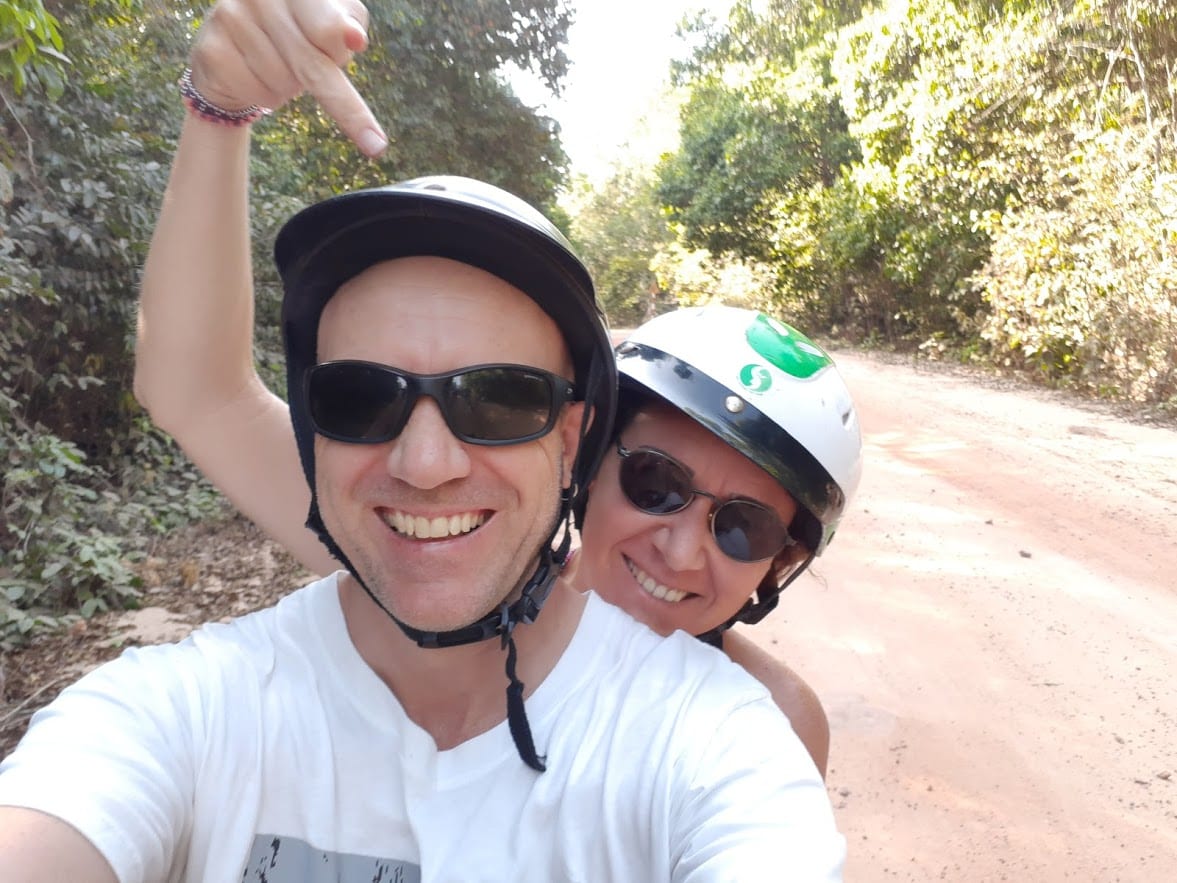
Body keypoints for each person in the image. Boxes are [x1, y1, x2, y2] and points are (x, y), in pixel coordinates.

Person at [0, 0, 847, 880]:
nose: (428, 465)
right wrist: (217, 112)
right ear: (591, 459)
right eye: (655, 481)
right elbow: (199, 393)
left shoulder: (741, 728)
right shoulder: (395, 569)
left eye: (741, 526)